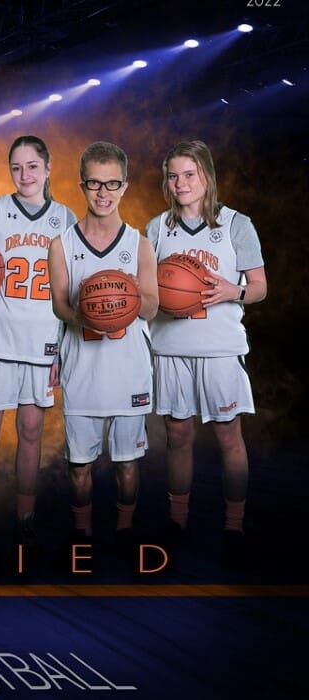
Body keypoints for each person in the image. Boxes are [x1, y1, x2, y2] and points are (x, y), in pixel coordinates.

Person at [0, 136, 77, 557]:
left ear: (47, 168)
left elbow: (72, 291)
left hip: (42, 345)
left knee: (30, 435)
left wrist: (63, 348)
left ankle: (25, 519)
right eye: (16, 167)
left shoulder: (65, 218)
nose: (24, 175)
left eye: (31, 166)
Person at [146, 140, 267, 570]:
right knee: (177, 436)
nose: (180, 183)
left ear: (206, 176)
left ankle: (234, 525)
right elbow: (145, 291)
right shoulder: (157, 228)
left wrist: (234, 291)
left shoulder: (236, 224)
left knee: (228, 436)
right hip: (170, 348)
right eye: (173, 175)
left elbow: (259, 287)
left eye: (189, 174)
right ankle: (178, 522)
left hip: (219, 349)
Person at [47, 142, 158, 559]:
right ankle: (83, 533)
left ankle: (125, 527)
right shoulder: (61, 244)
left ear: (124, 186)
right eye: (94, 183)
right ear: (82, 185)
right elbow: (59, 303)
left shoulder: (140, 244)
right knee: (80, 466)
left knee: (128, 463)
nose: (103, 192)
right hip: (82, 367)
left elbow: (151, 303)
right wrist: (90, 312)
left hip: (129, 369)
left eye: (112, 183)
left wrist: (121, 303)